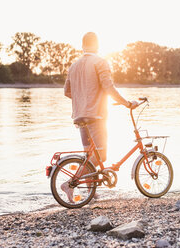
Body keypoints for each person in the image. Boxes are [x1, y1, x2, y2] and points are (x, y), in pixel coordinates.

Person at [62, 32, 138, 202]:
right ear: (97, 45)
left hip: (79, 118)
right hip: (96, 116)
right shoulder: (100, 62)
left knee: (89, 156)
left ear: (82, 46)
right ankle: (69, 183)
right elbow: (109, 88)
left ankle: (91, 192)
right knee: (101, 156)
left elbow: (67, 91)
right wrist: (127, 103)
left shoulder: (73, 66)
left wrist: (82, 99)